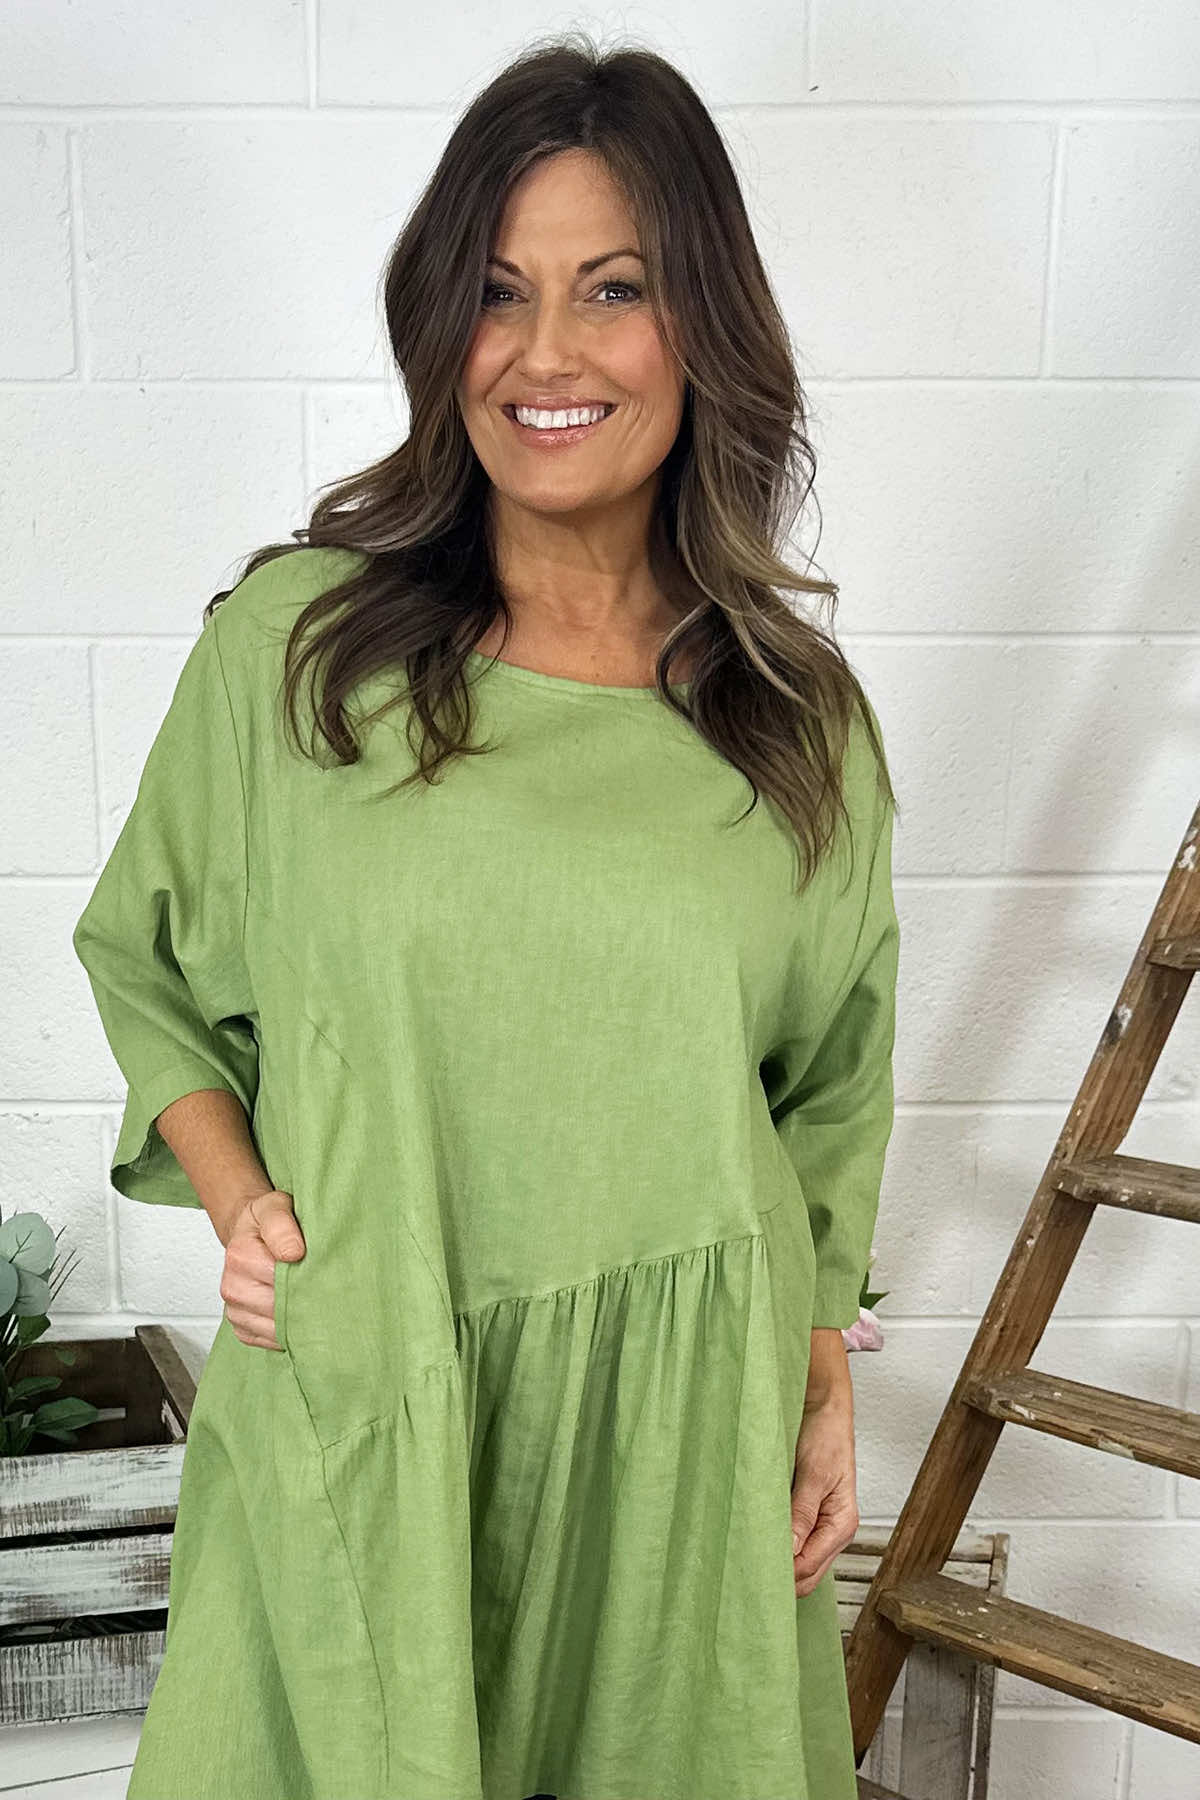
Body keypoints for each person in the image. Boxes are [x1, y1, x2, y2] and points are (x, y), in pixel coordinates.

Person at [72, 34, 900, 1800]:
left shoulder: (796, 722)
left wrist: (823, 1366)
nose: (546, 355)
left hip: (683, 1453)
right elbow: (143, 956)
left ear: (704, 325)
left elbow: (828, 1089)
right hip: (370, 1396)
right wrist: (242, 1199)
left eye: (615, 289)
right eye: (500, 293)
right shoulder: (301, 654)